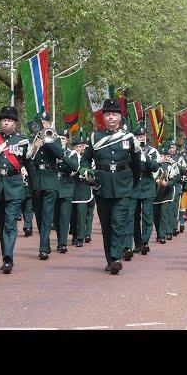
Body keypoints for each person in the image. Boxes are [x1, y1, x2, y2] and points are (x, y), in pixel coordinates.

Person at [80, 98, 141, 275]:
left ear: (120, 117)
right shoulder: (95, 137)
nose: (111, 118)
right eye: (107, 114)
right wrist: (85, 169)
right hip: (102, 185)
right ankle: (110, 260)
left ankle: (115, 257)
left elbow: (136, 165)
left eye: (114, 114)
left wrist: (133, 184)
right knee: (106, 225)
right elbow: (85, 158)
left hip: (123, 186)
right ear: (103, 117)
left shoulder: (129, 138)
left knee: (118, 223)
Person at [0, 105, 33, 274]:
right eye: (4, 120)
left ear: (15, 123)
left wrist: (35, 187)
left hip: (15, 184)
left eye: (9, 120)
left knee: (10, 223)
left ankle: (8, 258)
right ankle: (5, 254)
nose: (6, 124)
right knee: (1, 225)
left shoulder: (22, 140)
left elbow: (29, 164)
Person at [28, 112, 69, 260]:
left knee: (47, 214)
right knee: (39, 215)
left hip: (50, 179)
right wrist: (34, 146)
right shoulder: (30, 139)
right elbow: (26, 159)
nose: (44, 125)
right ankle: (45, 242)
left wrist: (48, 141)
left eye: (46, 122)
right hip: (35, 178)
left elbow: (60, 154)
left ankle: (43, 248)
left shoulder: (55, 138)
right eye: (41, 123)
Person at [129, 125, 160, 255]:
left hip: (147, 186)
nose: (140, 138)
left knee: (147, 216)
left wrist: (144, 156)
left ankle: (145, 241)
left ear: (145, 137)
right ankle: (137, 243)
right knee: (134, 216)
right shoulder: (130, 150)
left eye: (141, 136)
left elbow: (154, 167)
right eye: (137, 136)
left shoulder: (152, 151)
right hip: (134, 186)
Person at [69, 130, 94, 247]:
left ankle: (81, 237)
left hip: (84, 188)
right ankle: (74, 235)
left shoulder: (87, 158)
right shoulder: (70, 156)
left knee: (81, 213)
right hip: (72, 187)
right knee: (72, 214)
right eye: (76, 146)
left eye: (80, 146)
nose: (78, 148)